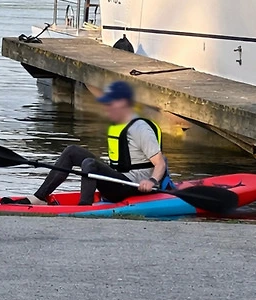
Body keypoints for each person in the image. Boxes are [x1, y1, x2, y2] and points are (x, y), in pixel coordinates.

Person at [14, 81, 171, 206]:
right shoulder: (120, 124)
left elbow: (160, 163)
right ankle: (40, 197)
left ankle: (84, 206)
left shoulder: (140, 128)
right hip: (118, 179)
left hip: (133, 185)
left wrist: (152, 181)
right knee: (72, 151)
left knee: (90, 164)